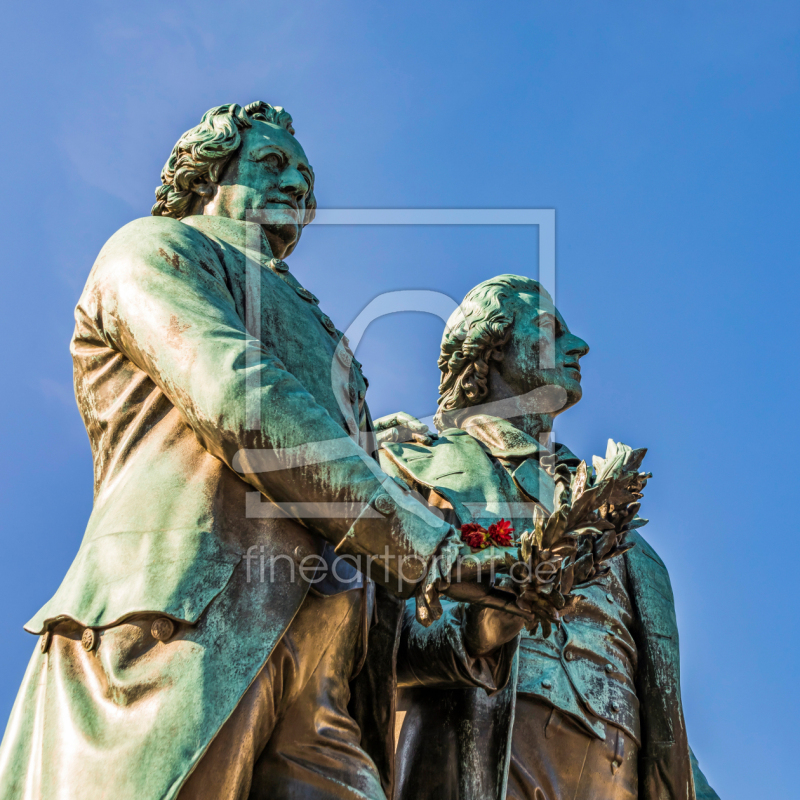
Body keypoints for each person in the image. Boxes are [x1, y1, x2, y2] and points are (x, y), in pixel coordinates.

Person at [0, 102, 509, 800]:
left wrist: (475, 616)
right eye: (272, 164)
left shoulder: (329, 343)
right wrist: (434, 550)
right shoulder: (156, 248)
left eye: (306, 176)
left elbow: (359, 534)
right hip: (178, 629)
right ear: (205, 174)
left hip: (328, 691)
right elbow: (241, 401)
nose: (298, 186)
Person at [383, 275, 720, 800]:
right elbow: (366, 635)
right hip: (489, 753)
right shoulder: (410, 465)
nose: (578, 345)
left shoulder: (616, 518)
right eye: (549, 330)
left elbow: (668, 727)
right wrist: (479, 629)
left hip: (620, 769)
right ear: (490, 347)